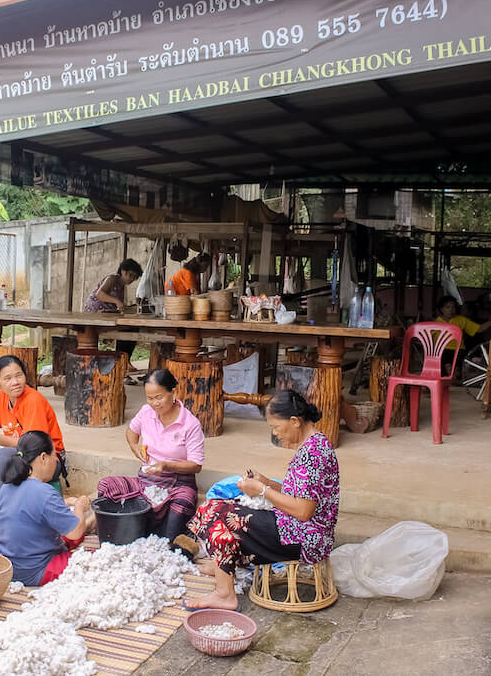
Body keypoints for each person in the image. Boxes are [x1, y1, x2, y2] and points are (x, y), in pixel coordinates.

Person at [182, 390, 339, 610]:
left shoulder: (313, 454)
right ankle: (223, 565)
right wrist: (268, 482)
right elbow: (302, 493)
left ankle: (224, 593)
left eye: (276, 427)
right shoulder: (314, 444)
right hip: (295, 527)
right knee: (213, 507)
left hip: (305, 538)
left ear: (294, 421)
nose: (275, 433)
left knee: (219, 517)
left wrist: (262, 490)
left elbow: (304, 511)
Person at [97, 369, 204, 541]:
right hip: (146, 481)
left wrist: (166, 465)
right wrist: (134, 446)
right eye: (150, 398)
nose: (154, 403)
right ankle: (127, 529)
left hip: (178, 484)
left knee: (182, 504)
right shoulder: (146, 412)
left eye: (159, 397)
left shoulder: (190, 424)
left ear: (173, 392)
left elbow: (196, 465)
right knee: (107, 486)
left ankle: (158, 535)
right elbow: (131, 431)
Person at [0, 432, 95, 586]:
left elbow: (30, 508)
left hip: (7, 566)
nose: (55, 462)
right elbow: (75, 533)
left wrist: (63, 502)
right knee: (94, 559)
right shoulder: (45, 492)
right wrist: (80, 507)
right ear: (43, 458)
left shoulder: (7, 487)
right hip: (34, 571)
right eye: (54, 456)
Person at [0, 355, 67, 490]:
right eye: (7, 378)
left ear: (25, 376)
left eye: (19, 375)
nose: (15, 382)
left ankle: (6, 504)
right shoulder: (0, 397)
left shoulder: (33, 401)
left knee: (4, 456)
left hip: (47, 459)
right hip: (22, 455)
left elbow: (33, 446)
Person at [83, 258, 144, 382]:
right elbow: (99, 294)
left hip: (107, 315)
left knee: (132, 328)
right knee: (127, 328)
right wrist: (117, 301)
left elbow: (117, 304)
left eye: (135, 277)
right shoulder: (112, 279)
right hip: (95, 314)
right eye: (131, 275)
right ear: (123, 271)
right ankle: (122, 361)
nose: (132, 279)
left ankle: (123, 360)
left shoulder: (121, 286)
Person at [435, 295, 491, 376]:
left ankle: (455, 372)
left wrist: (490, 322)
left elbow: (478, 329)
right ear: (441, 309)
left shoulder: (461, 320)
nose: (451, 310)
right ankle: (448, 371)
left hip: (458, 350)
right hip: (441, 351)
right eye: (448, 307)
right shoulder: (435, 323)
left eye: (453, 307)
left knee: (457, 370)